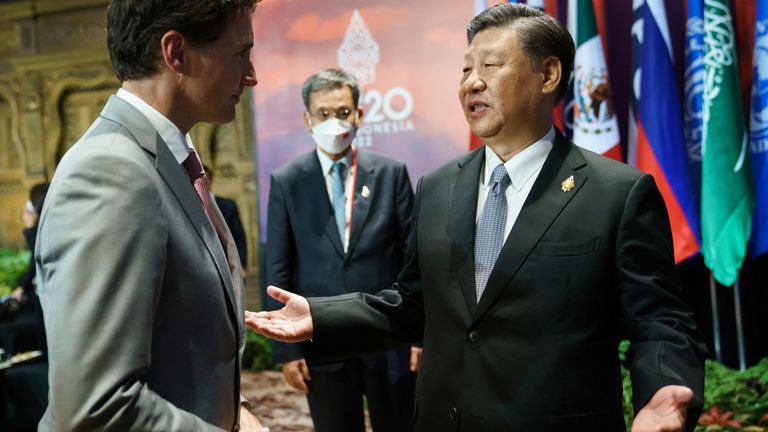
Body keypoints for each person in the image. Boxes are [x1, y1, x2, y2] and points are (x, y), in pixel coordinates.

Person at [247, 4, 706, 432]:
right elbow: (414, 304)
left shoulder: (616, 193)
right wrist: (323, 317)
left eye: (490, 65)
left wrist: (665, 390)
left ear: (547, 74)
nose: (470, 82)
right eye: (466, 68)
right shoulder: (438, 187)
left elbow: (660, 319)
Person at [34, 1, 267, 430]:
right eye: (240, 54)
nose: (250, 75)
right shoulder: (111, 171)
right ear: (176, 53)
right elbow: (94, 408)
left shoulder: (167, 158)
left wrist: (238, 410)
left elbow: (182, 347)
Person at [265, 68, 419, 432]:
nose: (333, 122)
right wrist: (287, 351)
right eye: (322, 113)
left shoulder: (390, 173)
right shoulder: (287, 181)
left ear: (359, 115)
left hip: (388, 338)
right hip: (321, 337)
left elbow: (413, 259)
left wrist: (419, 334)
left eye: (342, 112)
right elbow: (279, 267)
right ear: (307, 119)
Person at [204, 165, 249, 276]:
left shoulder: (228, 206)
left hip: (228, 266)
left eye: (204, 179)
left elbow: (239, 237)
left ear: (211, 180)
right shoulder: (192, 207)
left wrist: (242, 265)